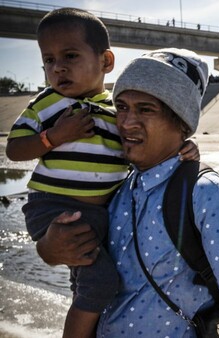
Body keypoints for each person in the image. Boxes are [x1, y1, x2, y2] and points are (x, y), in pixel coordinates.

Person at [36, 48, 219, 337]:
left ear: (181, 121)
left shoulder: (207, 195)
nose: (127, 122)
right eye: (122, 107)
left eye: (145, 109)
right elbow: (72, 254)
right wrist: (48, 249)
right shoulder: (115, 186)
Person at [5, 8, 125, 337]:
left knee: (87, 283)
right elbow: (14, 149)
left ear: (106, 62)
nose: (58, 67)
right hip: (55, 209)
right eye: (48, 60)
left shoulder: (117, 111)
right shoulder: (47, 104)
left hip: (96, 214)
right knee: (100, 281)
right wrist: (54, 137)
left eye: (70, 55)